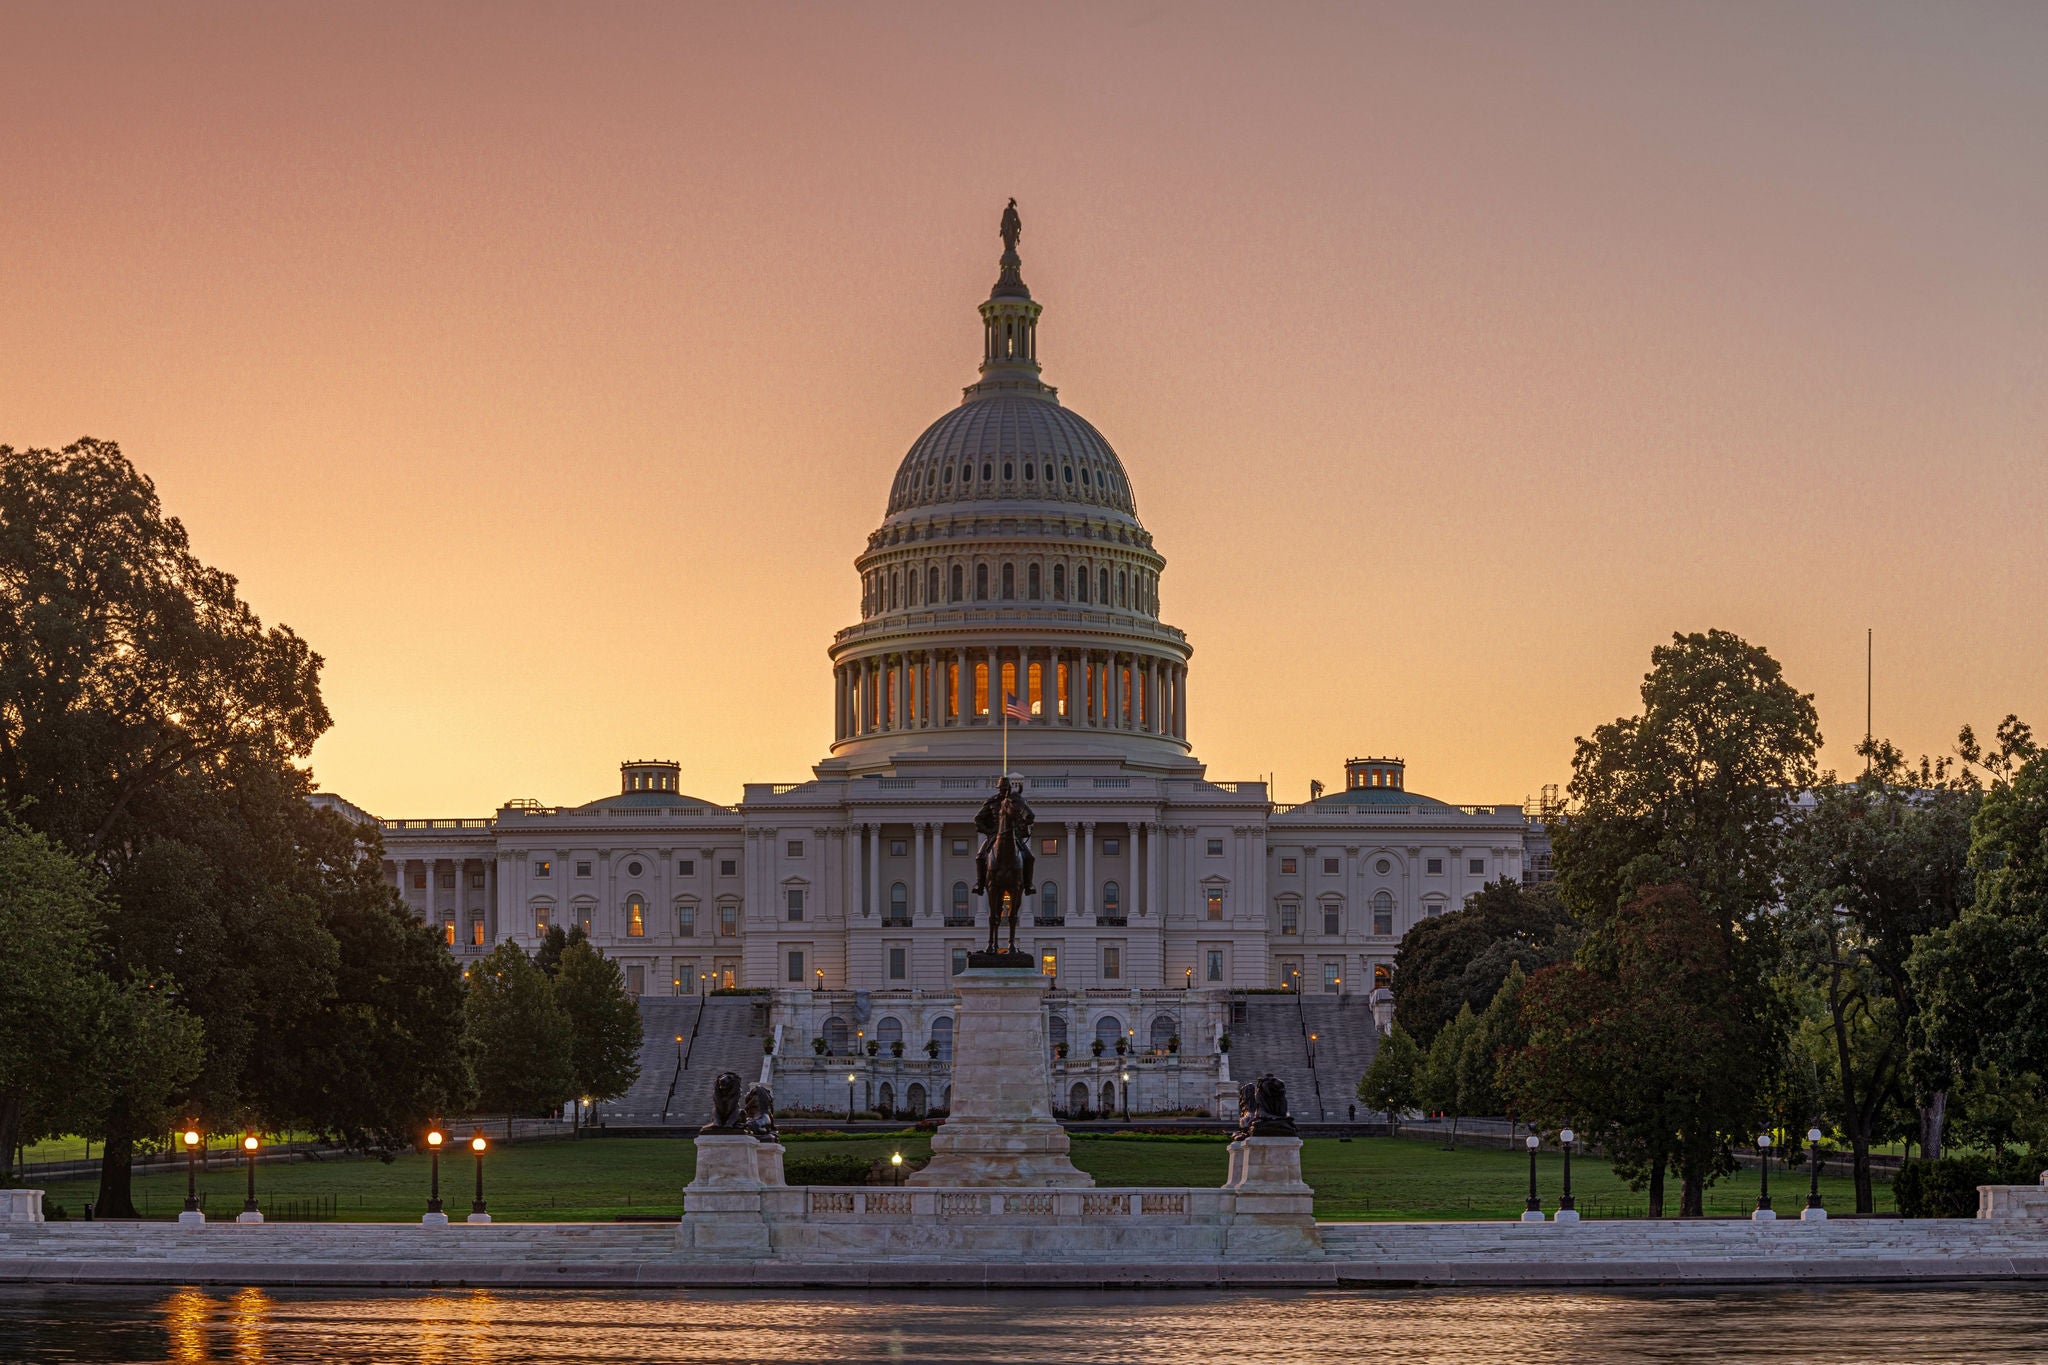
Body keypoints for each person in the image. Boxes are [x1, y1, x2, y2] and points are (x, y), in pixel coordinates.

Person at [971, 774, 1036, 896]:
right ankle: (980, 884)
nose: (1004, 791)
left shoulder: (1015, 803)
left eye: (1006, 788)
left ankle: (1028, 884)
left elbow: (1024, 817)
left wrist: (1024, 825)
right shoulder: (992, 802)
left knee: (1029, 857)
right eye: (1002, 788)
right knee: (980, 857)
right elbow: (978, 819)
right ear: (999, 789)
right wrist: (988, 831)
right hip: (994, 836)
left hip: (1014, 836)